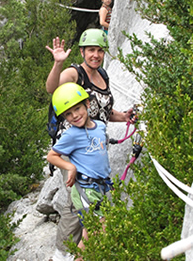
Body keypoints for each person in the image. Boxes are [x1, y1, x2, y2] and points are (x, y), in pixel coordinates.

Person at [45, 28, 134, 255]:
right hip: (73, 147)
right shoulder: (76, 74)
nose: (96, 55)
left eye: (100, 50)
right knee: (76, 203)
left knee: (87, 202)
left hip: (94, 145)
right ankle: (62, 254)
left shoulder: (102, 75)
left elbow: (103, 111)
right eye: (91, 50)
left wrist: (123, 116)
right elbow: (53, 89)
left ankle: (84, 250)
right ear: (83, 52)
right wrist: (58, 64)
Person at [47, 82, 113, 259]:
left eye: (77, 109)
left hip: (100, 186)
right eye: (68, 114)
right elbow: (51, 156)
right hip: (86, 189)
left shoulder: (99, 126)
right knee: (96, 230)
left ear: (88, 104)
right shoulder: (71, 135)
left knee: (91, 232)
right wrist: (71, 167)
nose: (75, 115)